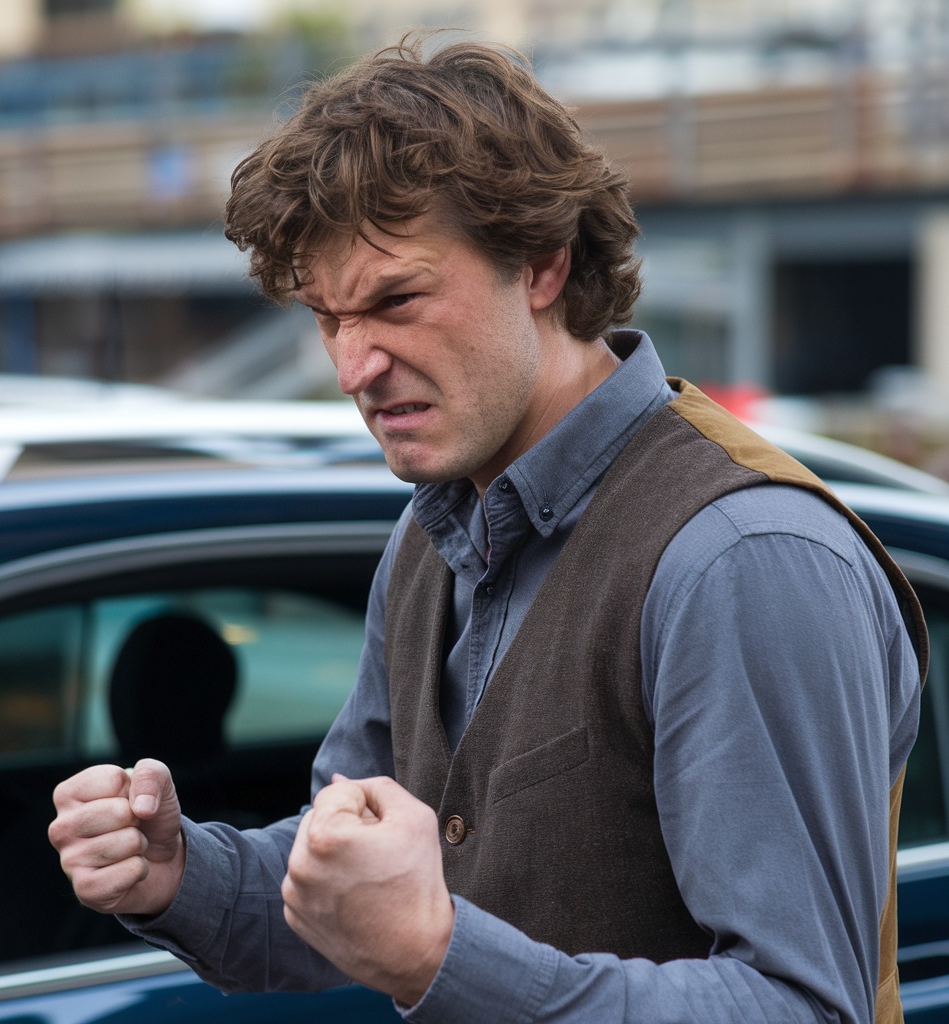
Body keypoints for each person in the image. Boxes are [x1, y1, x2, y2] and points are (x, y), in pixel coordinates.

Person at [48, 34, 927, 1024]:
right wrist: (180, 875)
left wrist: (436, 953)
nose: (353, 368)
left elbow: (802, 1007)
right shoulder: (431, 534)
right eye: (327, 316)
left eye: (396, 299)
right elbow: (349, 888)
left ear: (543, 263)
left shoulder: (740, 558)